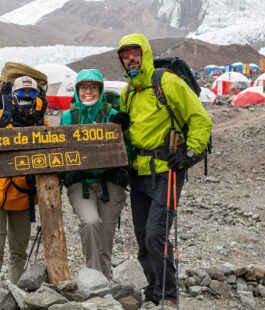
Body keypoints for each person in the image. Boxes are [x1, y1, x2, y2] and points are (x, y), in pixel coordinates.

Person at [110, 33, 213, 308]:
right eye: (125, 54)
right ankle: (154, 289)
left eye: (135, 52)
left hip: (167, 170)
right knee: (143, 237)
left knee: (156, 234)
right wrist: (121, 127)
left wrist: (190, 153)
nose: (130, 58)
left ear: (144, 53)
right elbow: (132, 135)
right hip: (138, 172)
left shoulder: (167, 82)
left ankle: (168, 293)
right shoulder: (128, 92)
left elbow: (200, 119)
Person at [0, 76, 48, 284]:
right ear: (13, 95)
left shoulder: (40, 120)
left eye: (32, 93)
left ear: (37, 95)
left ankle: (18, 297)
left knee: (19, 251)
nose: (27, 96)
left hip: (23, 196)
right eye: (22, 93)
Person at [60, 69, 128, 280]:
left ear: (100, 89)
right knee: (90, 223)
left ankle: (104, 281)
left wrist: (125, 129)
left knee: (106, 240)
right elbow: (59, 152)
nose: (88, 91)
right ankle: (93, 280)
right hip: (81, 184)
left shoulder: (112, 114)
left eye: (93, 87)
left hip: (110, 183)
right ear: (77, 90)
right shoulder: (68, 117)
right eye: (83, 87)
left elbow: (127, 148)